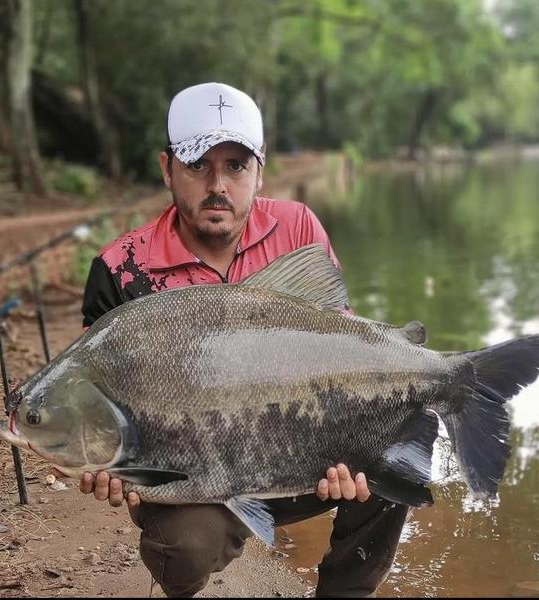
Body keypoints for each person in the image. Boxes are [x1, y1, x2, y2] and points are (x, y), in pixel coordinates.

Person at [78, 82, 409, 598]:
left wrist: (354, 447)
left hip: (299, 446)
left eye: (235, 166)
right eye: (197, 165)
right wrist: (109, 467)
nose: (218, 185)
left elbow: (338, 351)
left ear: (260, 170)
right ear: (167, 168)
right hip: (191, 470)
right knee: (181, 548)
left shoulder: (298, 226)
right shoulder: (120, 270)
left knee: (394, 467)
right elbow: (96, 405)